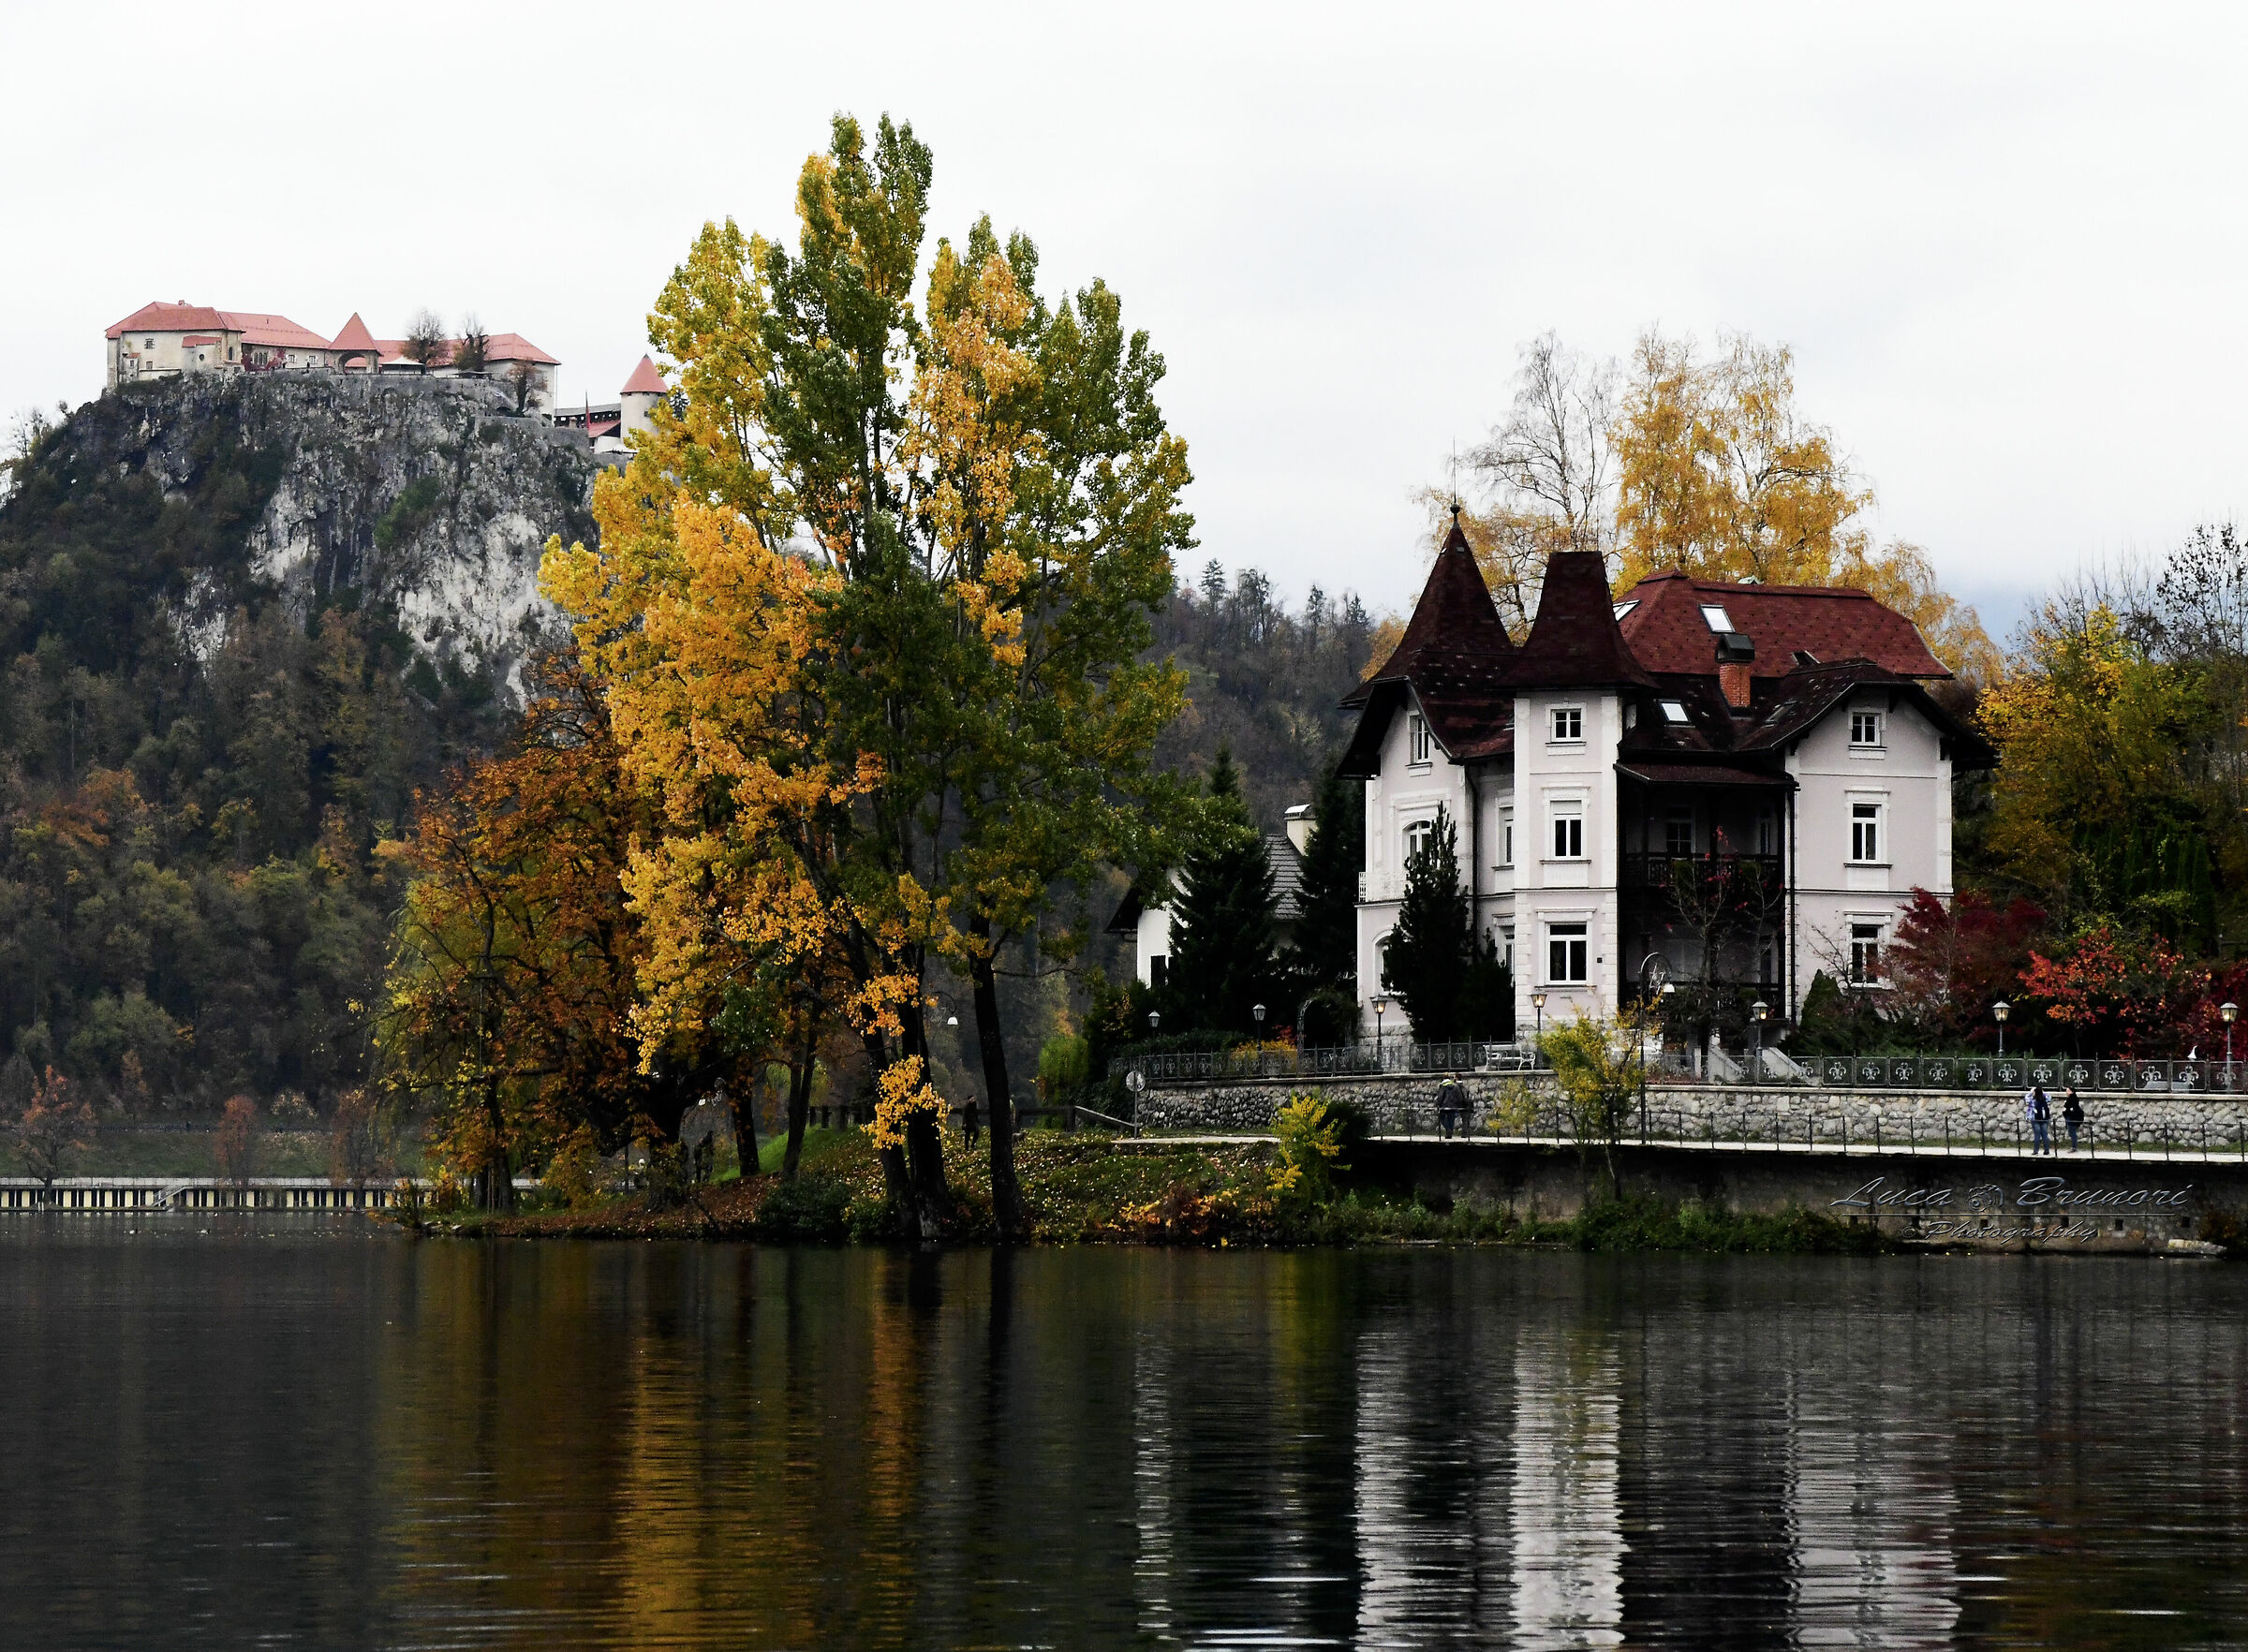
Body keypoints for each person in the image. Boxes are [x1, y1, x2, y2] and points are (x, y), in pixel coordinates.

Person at [1435, 1072, 1469, 1140]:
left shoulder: (1443, 1086)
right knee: (1451, 1119)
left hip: (1444, 1106)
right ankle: (1449, 1134)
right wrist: (1458, 1104)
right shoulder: (1455, 1086)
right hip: (1454, 1106)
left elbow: (1440, 1097)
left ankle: (1448, 1130)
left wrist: (1438, 1104)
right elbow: (1459, 1097)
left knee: (1442, 1118)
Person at [2027, 1084, 2051, 1155]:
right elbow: (2049, 1097)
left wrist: (2031, 1092)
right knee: (2045, 1135)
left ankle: (2036, 1151)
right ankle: (2046, 1150)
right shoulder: (2045, 1099)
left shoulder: (2032, 1100)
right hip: (2044, 1119)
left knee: (2037, 1135)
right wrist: (2042, 1091)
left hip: (2035, 1119)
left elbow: (2026, 1097)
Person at [2063, 1087, 2085, 1151]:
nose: (2066, 1092)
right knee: (2071, 1132)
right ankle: (2074, 1146)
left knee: (2072, 1132)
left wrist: (2067, 1111)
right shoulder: (2070, 1098)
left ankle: (2074, 1147)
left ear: (2072, 1092)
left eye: (2068, 1091)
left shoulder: (2073, 1099)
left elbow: (2072, 1109)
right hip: (2070, 1117)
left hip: (2072, 1118)